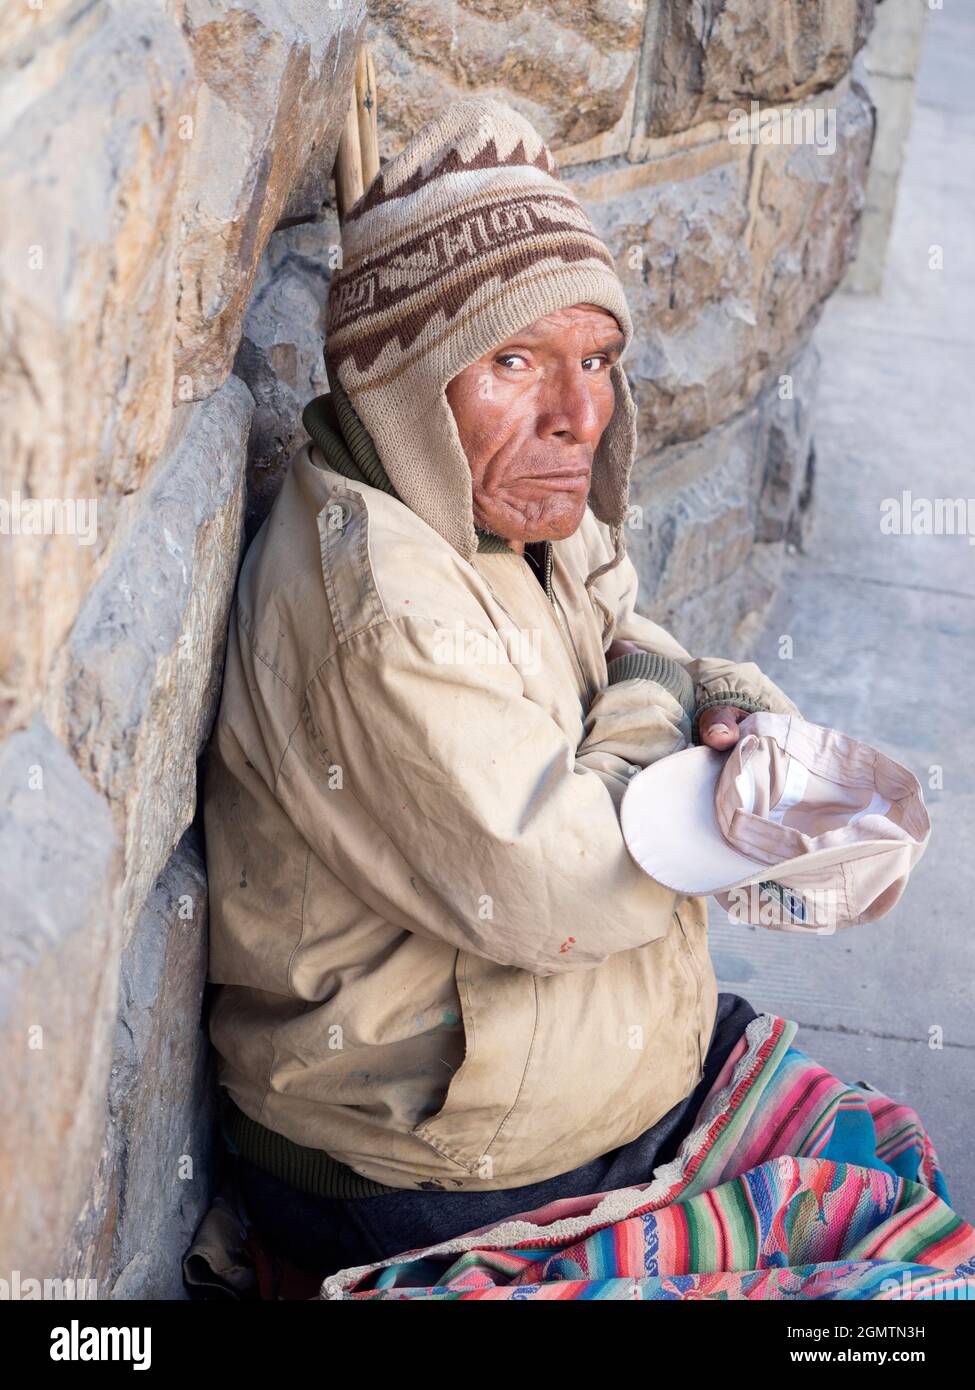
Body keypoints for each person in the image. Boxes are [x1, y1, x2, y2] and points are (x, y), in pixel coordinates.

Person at [201, 96, 800, 1275]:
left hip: (571, 1085)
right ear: (406, 390)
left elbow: (634, 634)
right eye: (515, 361)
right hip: (432, 1164)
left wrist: (725, 696)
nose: (578, 416)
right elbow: (566, 874)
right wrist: (660, 701)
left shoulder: (516, 505)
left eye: (597, 360)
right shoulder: (383, 608)